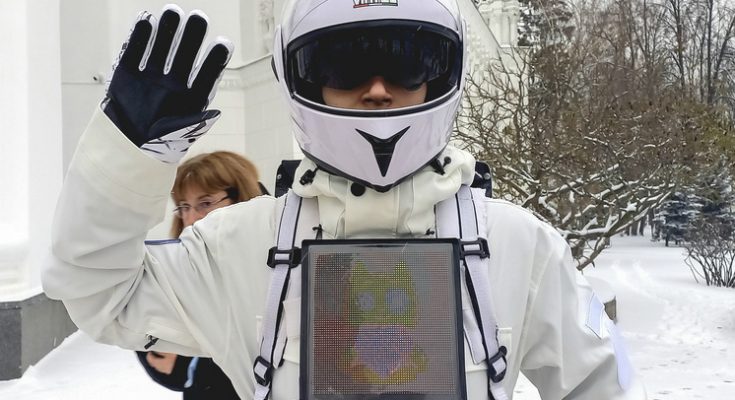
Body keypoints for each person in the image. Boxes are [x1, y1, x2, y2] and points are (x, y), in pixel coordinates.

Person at [43, 1, 648, 399]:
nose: (378, 90)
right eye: (345, 65)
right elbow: (101, 295)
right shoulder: (237, 244)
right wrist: (126, 153)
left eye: (407, 63)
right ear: (303, 76)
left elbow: (605, 380)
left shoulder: (520, 243)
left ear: (441, 73)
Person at [136, 151, 265, 400]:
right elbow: (159, 354)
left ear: (240, 199)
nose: (191, 218)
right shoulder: (176, 267)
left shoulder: (274, 258)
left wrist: (192, 364)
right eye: (184, 206)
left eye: (205, 203)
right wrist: (179, 363)